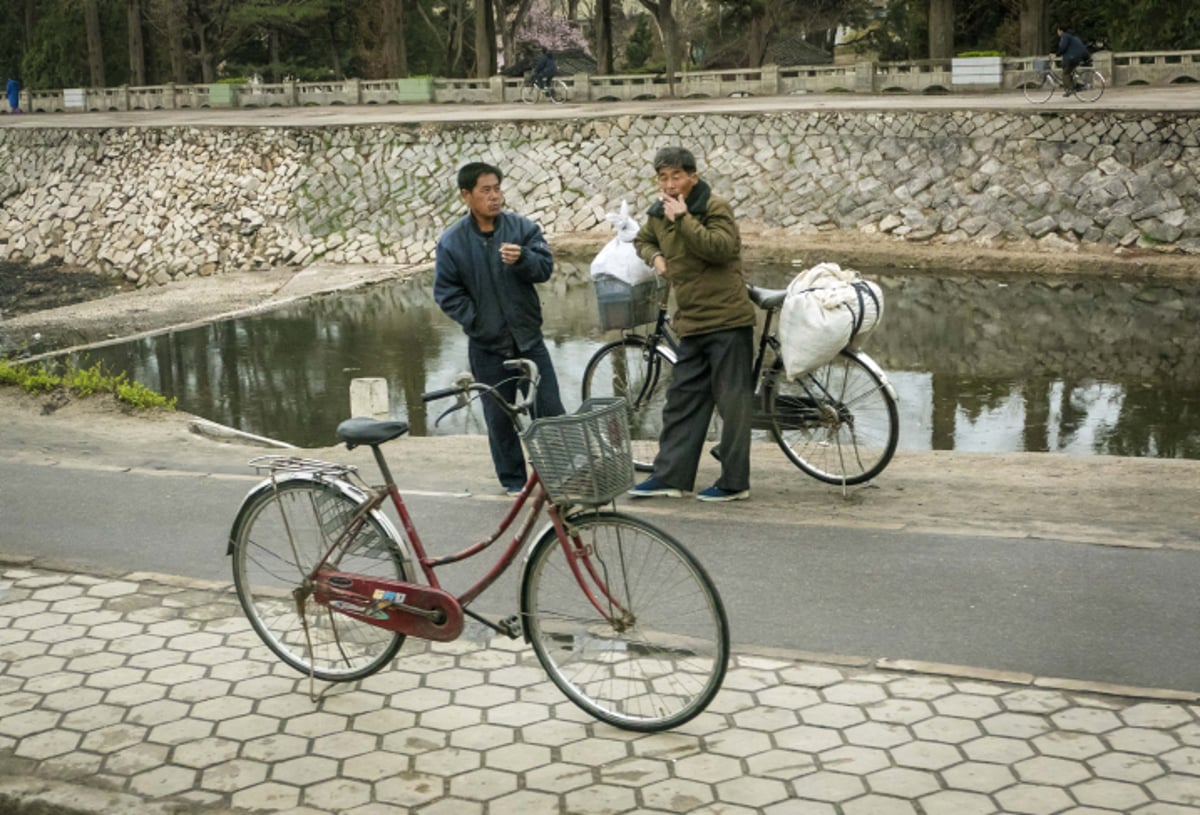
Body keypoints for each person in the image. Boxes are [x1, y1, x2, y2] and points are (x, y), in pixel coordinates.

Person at [628, 146, 756, 503]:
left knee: (733, 405)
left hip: (727, 320)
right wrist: (655, 257)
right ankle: (671, 476)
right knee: (681, 400)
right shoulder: (658, 214)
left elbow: (722, 248)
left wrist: (684, 219)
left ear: (693, 178)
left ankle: (734, 483)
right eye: (663, 178)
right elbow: (643, 239)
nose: (670, 185)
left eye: (677, 177)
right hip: (692, 322)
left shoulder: (714, 207)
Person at [434, 161, 565, 495]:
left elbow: (544, 268)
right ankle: (514, 483)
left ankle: (562, 475)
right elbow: (447, 294)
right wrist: (479, 322)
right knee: (499, 419)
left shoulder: (521, 229)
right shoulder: (452, 242)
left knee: (550, 413)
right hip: (488, 347)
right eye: (486, 190)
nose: (494, 197)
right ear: (467, 195)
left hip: (529, 342)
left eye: (497, 188)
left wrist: (522, 260)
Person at [1052, 26, 1090, 97]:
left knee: (1065, 74)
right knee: (1068, 71)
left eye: (1058, 31)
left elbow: (1063, 47)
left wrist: (1056, 54)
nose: (1057, 33)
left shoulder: (1065, 36)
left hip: (1073, 57)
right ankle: (1074, 87)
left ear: (1061, 31)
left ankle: (1071, 89)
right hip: (1080, 56)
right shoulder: (1072, 36)